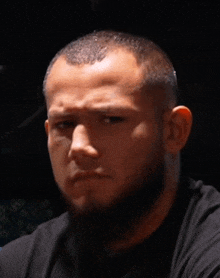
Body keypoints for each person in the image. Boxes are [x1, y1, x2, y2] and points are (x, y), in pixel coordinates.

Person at [1, 30, 220, 278]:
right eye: (65, 124)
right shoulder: (19, 264)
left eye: (110, 119)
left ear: (174, 130)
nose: (79, 146)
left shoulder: (210, 251)